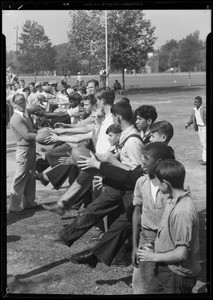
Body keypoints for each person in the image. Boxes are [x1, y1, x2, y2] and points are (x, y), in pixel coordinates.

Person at [137, 159, 201, 294]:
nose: (156, 184)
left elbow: (181, 254)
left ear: (166, 184)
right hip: (165, 268)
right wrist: (155, 247)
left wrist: (152, 256)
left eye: (157, 182)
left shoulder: (183, 212)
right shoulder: (172, 199)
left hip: (177, 274)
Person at [8, 94, 38, 214]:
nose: (23, 105)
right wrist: (41, 135)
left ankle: (29, 203)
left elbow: (30, 132)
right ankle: (14, 206)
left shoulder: (24, 114)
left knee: (31, 176)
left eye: (23, 102)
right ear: (14, 104)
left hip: (30, 149)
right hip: (24, 151)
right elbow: (26, 135)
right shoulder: (16, 118)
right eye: (20, 103)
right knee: (20, 177)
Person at [185, 96, 206, 165]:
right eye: (195, 102)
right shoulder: (194, 110)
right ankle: (203, 157)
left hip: (205, 127)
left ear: (201, 103)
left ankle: (205, 159)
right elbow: (193, 119)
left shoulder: (204, 109)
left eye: (197, 102)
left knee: (205, 143)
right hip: (199, 128)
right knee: (202, 143)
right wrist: (188, 124)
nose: (196, 103)